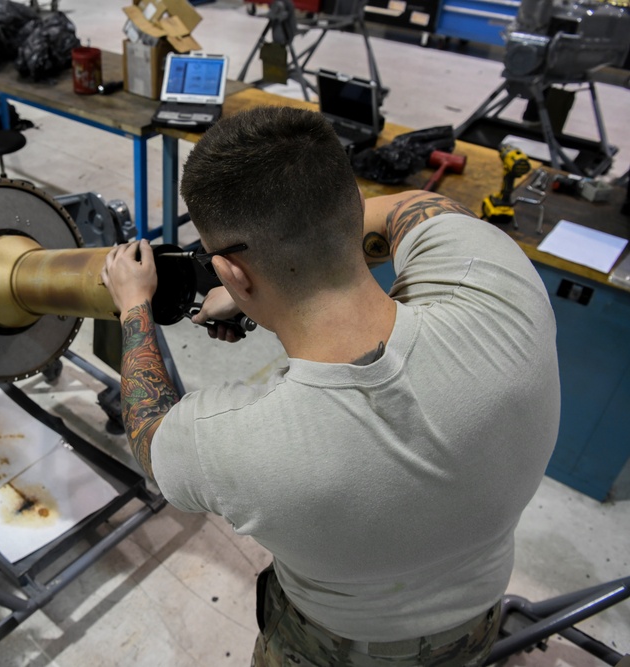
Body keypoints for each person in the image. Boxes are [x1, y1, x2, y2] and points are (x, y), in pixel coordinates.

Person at [100, 106, 560, 667]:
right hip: (475, 620)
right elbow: (424, 209)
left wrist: (133, 305)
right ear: (348, 209)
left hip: (332, 649)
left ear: (231, 273)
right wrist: (268, 286)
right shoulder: (500, 282)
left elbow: (150, 432)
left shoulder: (236, 446)